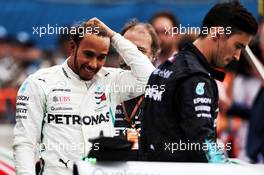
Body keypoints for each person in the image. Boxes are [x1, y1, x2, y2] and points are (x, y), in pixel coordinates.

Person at [13, 18, 155, 174]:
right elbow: (25, 143)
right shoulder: (39, 82)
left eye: (101, 57)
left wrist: (114, 36)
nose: (93, 64)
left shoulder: (111, 80)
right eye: (88, 54)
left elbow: (149, 76)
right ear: (73, 47)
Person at [140, 1, 258, 162]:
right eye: (237, 46)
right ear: (217, 33)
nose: (237, 56)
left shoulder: (168, 65)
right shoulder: (196, 77)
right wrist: (224, 166)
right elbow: (204, 145)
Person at [114, 20, 160, 149]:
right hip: (110, 166)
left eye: (140, 51)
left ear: (154, 56)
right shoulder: (103, 85)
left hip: (149, 167)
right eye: (127, 49)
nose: (132, 57)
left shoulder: (164, 92)